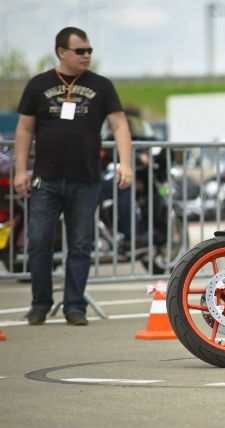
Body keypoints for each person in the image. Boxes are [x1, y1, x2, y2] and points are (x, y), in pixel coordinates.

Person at [13, 27, 133, 326]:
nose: (87, 56)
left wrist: (125, 164)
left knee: (80, 244)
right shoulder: (39, 85)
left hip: (86, 178)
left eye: (90, 50)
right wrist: (19, 171)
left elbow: (119, 126)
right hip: (46, 178)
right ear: (61, 52)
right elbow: (25, 129)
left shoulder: (101, 85)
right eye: (80, 51)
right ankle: (40, 302)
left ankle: (74, 306)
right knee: (39, 241)